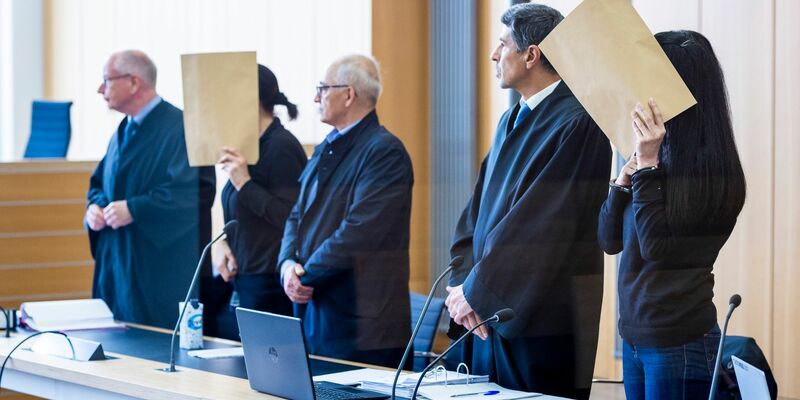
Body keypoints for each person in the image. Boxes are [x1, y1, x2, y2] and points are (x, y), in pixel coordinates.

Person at [443, 4, 612, 399]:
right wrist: (461, 286)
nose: (494, 55)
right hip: (486, 314)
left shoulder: (578, 122)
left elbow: (541, 225)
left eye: (502, 45)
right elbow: (476, 213)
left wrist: (476, 293)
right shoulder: (511, 119)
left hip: (539, 317)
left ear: (531, 54)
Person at [598, 30, 746, 400]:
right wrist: (623, 179)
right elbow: (608, 240)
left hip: (679, 342)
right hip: (634, 338)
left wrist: (647, 167)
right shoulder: (653, 163)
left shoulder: (714, 175)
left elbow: (656, 248)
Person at [278, 54, 413, 368]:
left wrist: (305, 274)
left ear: (349, 94)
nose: (315, 97)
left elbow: (360, 231)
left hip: (361, 325)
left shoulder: (384, 151)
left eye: (323, 88)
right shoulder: (327, 145)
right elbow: (297, 214)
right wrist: (287, 266)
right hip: (316, 311)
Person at [86, 50, 215, 329]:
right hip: (118, 261)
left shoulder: (182, 127)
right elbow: (99, 184)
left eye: (107, 80)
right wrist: (94, 209)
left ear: (134, 82)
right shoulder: (123, 130)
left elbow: (194, 193)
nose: (100, 89)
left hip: (158, 268)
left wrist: (135, 209)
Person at [201, 65, 307, 340]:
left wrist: (244, 182)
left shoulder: (282, 147)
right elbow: (240, 212)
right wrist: (223, 242)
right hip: (244, 277)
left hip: (269, 283)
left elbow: (290, 218)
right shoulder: (249, 147)